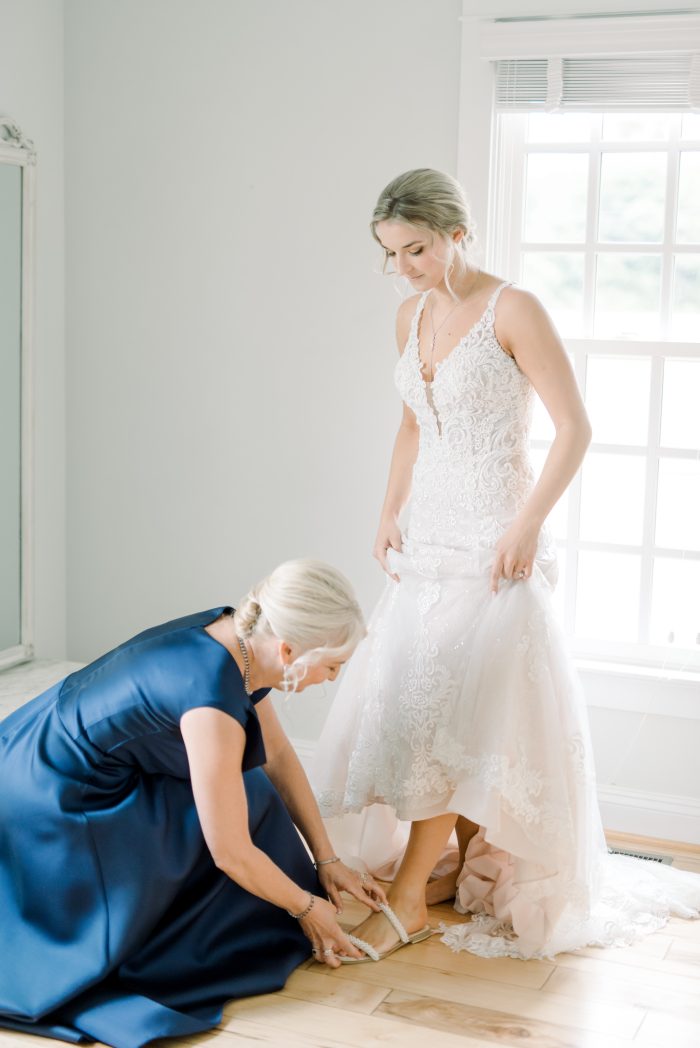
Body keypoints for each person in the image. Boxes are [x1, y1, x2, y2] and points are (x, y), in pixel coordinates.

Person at [313, 168, 700, 962]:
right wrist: (387, 510)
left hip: (494, 545)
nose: (405, 269)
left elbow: (575, 428)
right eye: (391, 255)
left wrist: (527, 526)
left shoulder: (512, 308)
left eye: (416, 250)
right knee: (421, 713)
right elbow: (413, 425)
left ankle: (414, 895)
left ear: (460, 232)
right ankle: (444, 867)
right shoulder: (407, 318)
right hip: (428, 542)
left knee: (463, 718)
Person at [0, 559, 388, 1047]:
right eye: (333, 666)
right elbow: (230, 851)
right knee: (235, 814)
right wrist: (307, 906)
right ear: (290, 650)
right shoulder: (211, 698)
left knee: (250, 788)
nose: (332, 679)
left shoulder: (241, 640)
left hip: (51, 746)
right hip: (52, 797)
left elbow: (280, 755)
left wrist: (326, 859)